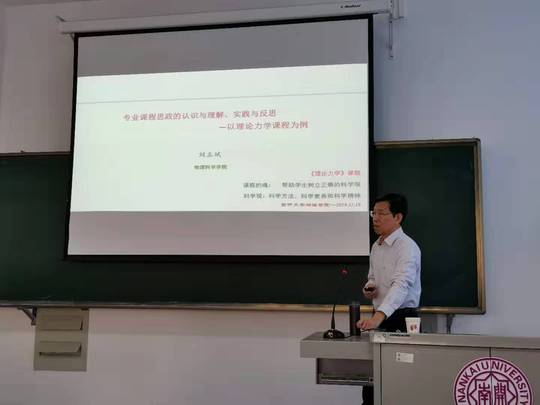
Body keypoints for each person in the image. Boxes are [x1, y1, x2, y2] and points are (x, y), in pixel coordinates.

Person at [357, 193, 421, 405]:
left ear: (398, 217)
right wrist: (370, 288)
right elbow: (373, 277)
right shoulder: (376, 246)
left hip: (403, 320)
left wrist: (377, 318)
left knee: (400, 383)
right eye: (373, 213)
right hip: (379, 319)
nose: (375, 218)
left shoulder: (407, 247)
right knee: (372, 383)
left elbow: (401, 285)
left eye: (381, 213)